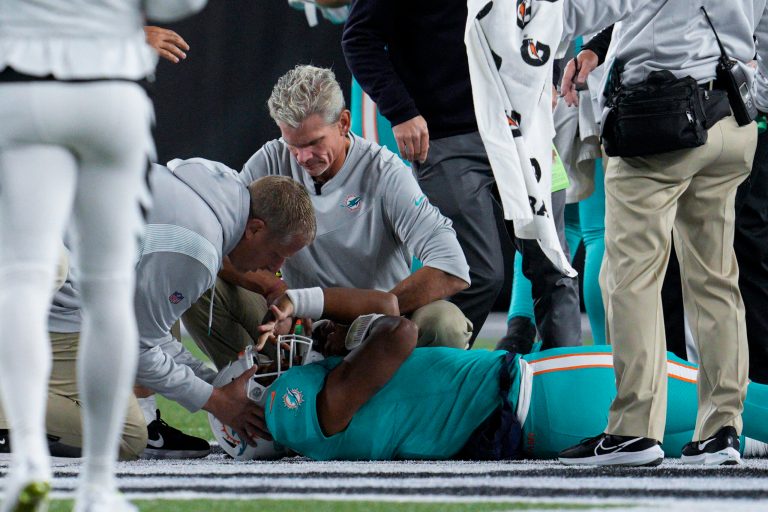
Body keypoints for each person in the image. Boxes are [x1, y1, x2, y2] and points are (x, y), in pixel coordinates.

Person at [0, 1, 206, 511]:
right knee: (109, 290)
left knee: (22, 282)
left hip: (23, 88)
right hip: (108, 88)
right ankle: (96, 485)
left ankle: (27, 455)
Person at [556, 0, 768, 466]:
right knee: (716, 278)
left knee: (630, 278)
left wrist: (526, 19)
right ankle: (721, 430)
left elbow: (594, 8)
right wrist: (759, 98)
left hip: (662, 118)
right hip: (731, 118)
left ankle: (634, 429)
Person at [240, 290, 768, 463]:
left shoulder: (313, 410)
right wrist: (331, 316)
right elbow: (397, 328)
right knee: (732, 396)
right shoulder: (294, 407)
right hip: (542, 393)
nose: (271, 360)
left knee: (732, 438)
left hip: (539, 420)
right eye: (259, 372)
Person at [182, 65, 472, 368]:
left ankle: (406, 410)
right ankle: (253, 395)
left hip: (381, 328)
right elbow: (218, 244)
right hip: (298, 325)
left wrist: (361, 317)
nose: (303, 158)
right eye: (293, 145)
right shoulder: (270, 158)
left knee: (445, 323)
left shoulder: (386, 174)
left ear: (344, 122)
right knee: (198, 271)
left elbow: (451, 267)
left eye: (313, 143)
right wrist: (275, 290)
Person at [342, 0, 581, 346]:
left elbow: (547, 14)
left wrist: (552, 75)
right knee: (474, 273)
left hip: (525, 131)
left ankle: (561, 392)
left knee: (555, 268)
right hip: (449, 136)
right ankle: (415, 375)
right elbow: (358, 39)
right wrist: (400, 111)